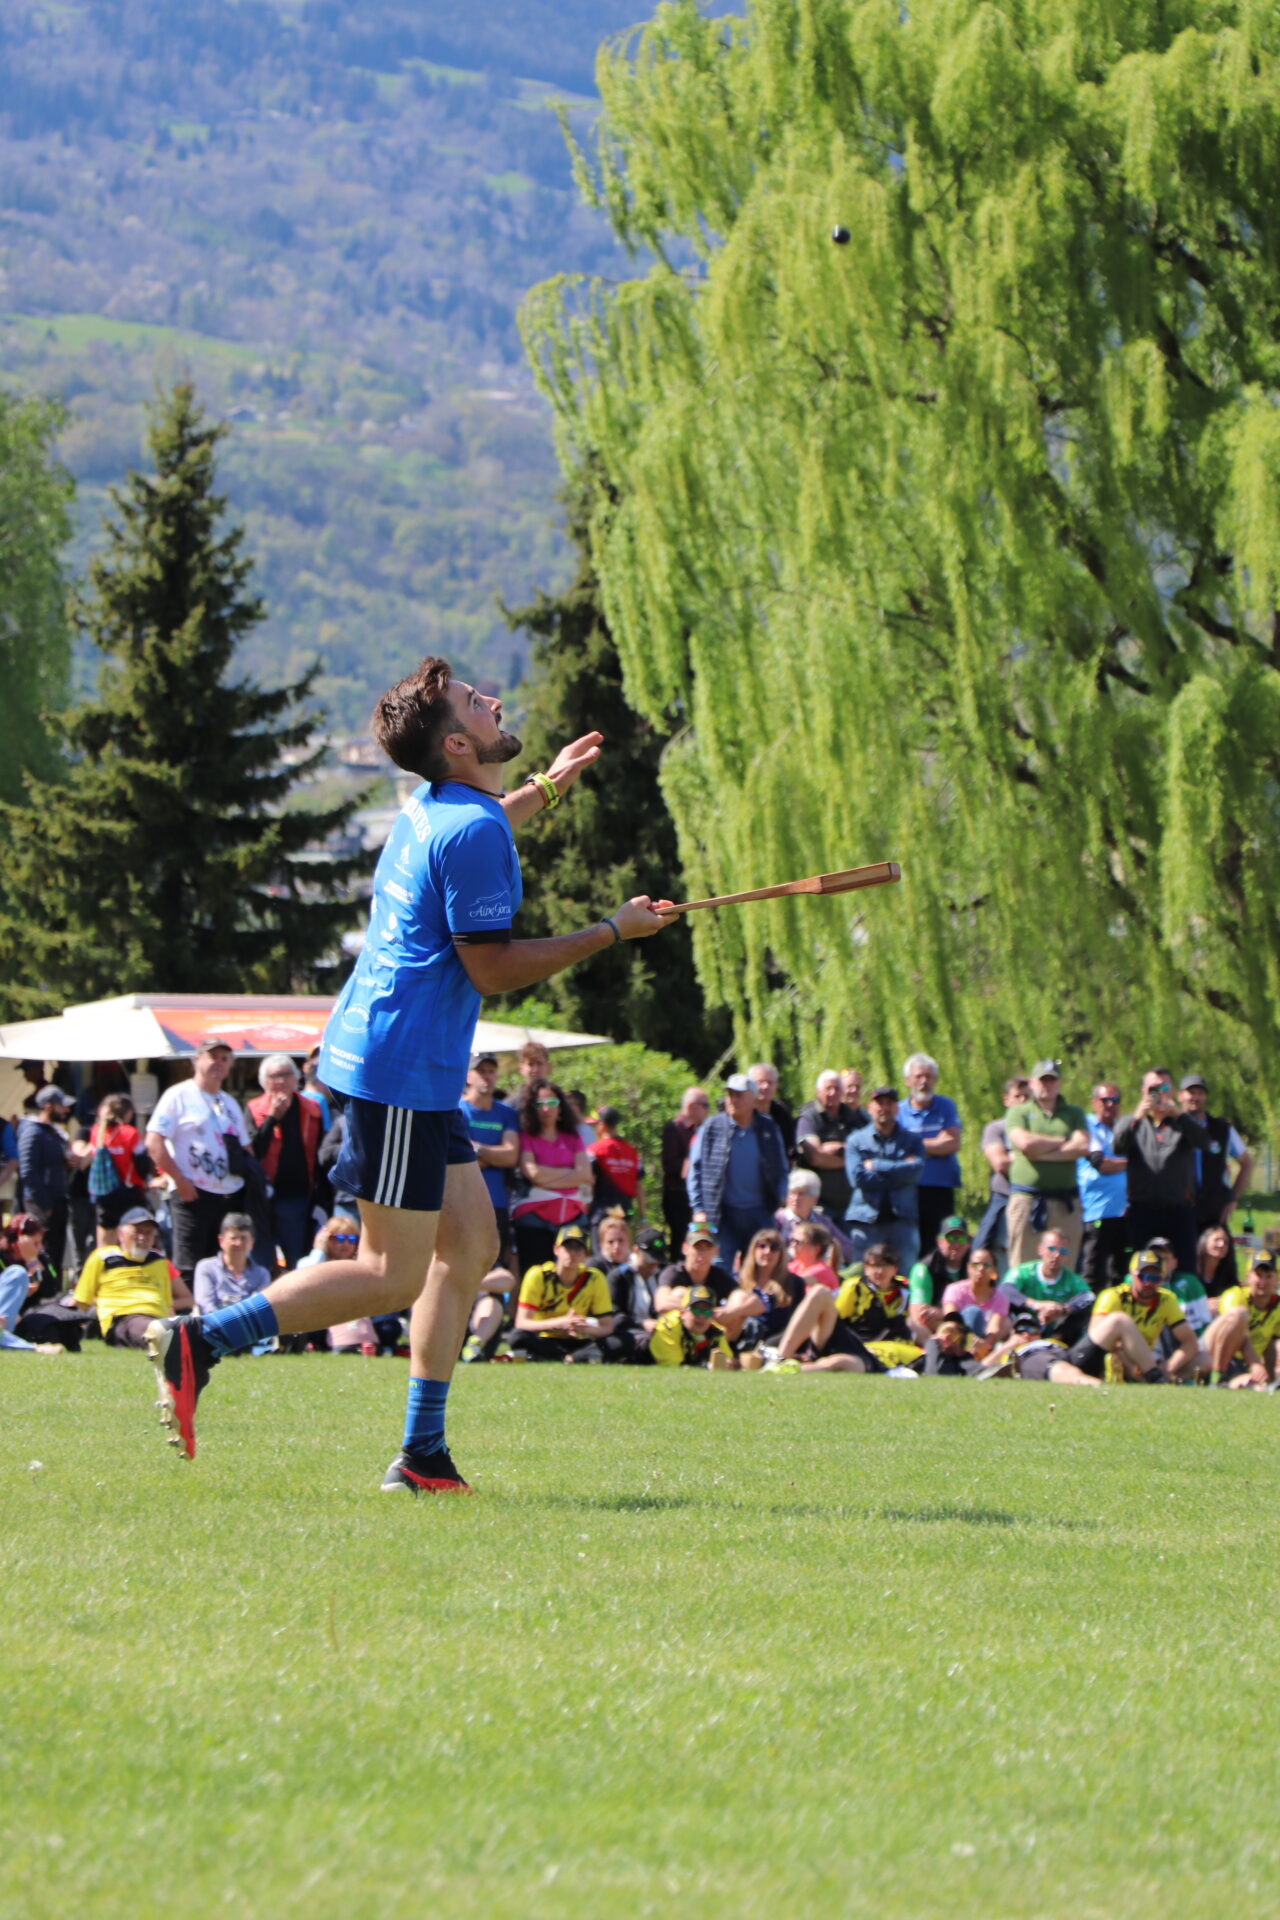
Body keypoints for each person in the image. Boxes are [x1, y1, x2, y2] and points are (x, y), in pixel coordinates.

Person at [144, 655, 676, 1487]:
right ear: (458, 744)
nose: (491, 699)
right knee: (390, 1273)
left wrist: (549, 785)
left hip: (402, 1063)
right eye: (473, 701)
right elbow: (491, 968)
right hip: (396, 1068)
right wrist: (610, 931)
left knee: (470, 1244)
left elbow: (487, 823)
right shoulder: (469, 830)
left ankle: (422, 1452)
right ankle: (200, 1340)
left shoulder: (434, 808)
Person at [145, 1038, 251, 1297]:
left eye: (224, 1059)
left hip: (228, 1195)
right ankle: (189, 1315)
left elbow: (246, 1147)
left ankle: (218, 1312)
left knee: (222, 1260)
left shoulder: (230, 1103)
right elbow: (153, 1141)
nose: (219, 1063)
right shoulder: (178, 1095)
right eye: (212, 1056)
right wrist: (179, 1179)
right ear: (196, 1060)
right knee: (189, 1262)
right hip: (191, 1193)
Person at [687, 1074, 788, 1272]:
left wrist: (781, 1197)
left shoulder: (768, 1128)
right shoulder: (711, 1127)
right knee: (719, 1269)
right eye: (730, 1095)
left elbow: (782, 1168)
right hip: (721, 1214)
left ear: (753, 1098)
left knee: (761, 1270)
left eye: (739, 1095)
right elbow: (695, 1170)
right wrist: (698, 1209)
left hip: (760, 1213)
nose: (733, 1100)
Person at [770, 1241, 920, 1373]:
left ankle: (783, 1371)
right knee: (820, 1292)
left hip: (875, 1358)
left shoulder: (906, 1291)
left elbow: (919, 1330)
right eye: (874, 1266)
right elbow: (832, 1320)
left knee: (837, 1363)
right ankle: (780, 1358)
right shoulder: (855, 1287)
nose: (879, 1271)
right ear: (865, 1268)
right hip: (853, 1343)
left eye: (885, 1266)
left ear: (895, 1269)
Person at [1111, 1068, 1207, 1274]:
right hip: (1143, 1209)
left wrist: (1178, 1114)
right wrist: (1138, 1115)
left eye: (1164, 1088)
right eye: (1153, 1088)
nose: (1159, 1093)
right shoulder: (1132, 1122)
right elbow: (1118, 1146)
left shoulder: (1182, 1122)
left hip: (1178, 1209)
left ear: (1171, 1091)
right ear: (1143, 1091)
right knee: (1141, 1265)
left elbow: (1203, 1141)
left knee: (1184, 1266)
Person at [1066, 1249, 1198, 1383]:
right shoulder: (1113, 1296)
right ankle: (1155, 1378)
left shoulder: (1167, 1300)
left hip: (1143, 1366)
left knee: (1203, 1359)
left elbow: (1190, 1342)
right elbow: (1096, 1338)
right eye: (1143, 1277)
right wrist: (1130, 1363)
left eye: (1155, 1278)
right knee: (1121, 1321)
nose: (1148, 1283)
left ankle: (1162, 1378)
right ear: (1132, 1275)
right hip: (1094, 1359)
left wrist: (1168, 1367)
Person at [1005, 1062, 1090, 1267]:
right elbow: (1025, 1143)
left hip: (1065, 1202)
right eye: (1043, 1080)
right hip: (1027, 1201)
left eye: (1052, 1080)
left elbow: (1081, 1146)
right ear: (1032, 1083)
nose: (1047, 1084)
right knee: (1023, 1267)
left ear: (1059, 1083)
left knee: (1065, 1266)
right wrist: (1063, 1140)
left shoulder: (1074, 1113)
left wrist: (1040, 1154)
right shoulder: (1019, 1112)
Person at [246, 1054, 325, 1274]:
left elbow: (320, 1153)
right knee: (261, 1262)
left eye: (286, 1075)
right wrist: (272, 1117)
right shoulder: (254, 1108)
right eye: (274, 1076)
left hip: (297, 1197)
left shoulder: (312, 1108)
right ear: (264, 1082)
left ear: (296, 1078)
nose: (280, 1081)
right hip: (262, 1198)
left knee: (297, 1261)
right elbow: (253, 1152)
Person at [511, 1080, 592, 1275]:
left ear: (560, 1107)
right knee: (536, 1275)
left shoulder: (573, 1138)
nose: (546, 1109)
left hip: (572, 1216)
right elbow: (533, 1174)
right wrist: (569, 1174)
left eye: (552, 1103)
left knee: (572, 1275)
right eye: (540, 1104)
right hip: (534, 1218)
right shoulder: (527, 1137)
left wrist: (546, 1177)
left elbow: (585, 1174)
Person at [1179, 1073, 1251, 1288]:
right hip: (1181, 1210)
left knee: (1224, 1268)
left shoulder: (1222, 1129)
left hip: (1214, 1211)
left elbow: (1246, 1162)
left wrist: (1232, 1198)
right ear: (1180, 1096)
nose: (1195, 1097)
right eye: (1190, 1092)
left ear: (1206, 1097)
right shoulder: (1171, 1126)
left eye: (1200, 1093)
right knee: (1186, 1267)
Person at [844, 1086, 922, 1272]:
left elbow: (914, 1172)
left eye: (889, 1103)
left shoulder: (912, 1141)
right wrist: (899, 1171)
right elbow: (858, 1179)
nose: (884, 1108)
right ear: (869, 1107)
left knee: (905, 1277)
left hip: (902, 1220)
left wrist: (877, 1165)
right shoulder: (856, 1141)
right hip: (865, 1220)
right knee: (861, 1276)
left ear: (897, 1108)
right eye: (879, 1103)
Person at [510, 1223, 615, 1362]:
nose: (573, 1253)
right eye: (568, 1247)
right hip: (545, 1338)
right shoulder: (539, 1275)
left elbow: (607, 1327)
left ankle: (570, 1357)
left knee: (617, 1341)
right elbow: (522, 1323)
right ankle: (571, 1357)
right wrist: (560, 1323)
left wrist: (584, 1328)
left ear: (586, 1255)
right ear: (556, 1249)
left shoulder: (594, 1278)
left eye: (578, 1248)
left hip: (577, 1339)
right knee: (517, 1336)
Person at [75, 1207, 174, 1349]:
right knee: (154, 1332)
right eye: (137, 1231)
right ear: (121, 1234)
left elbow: (167, 1304)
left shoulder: (159, 1261)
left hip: (158, 1319)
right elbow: (82, 1300)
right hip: (124, 1319)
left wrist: (174, 1323)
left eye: (148, 1233)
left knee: (183, 1330)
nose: (142, 1237)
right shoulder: (103, 1258)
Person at [896, 1053, 963, 1252]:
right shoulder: (898, 1111)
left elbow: (952, 1143)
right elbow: (897, 1149)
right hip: (908, 1187)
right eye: (918, 1076)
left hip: (940, 1186)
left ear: (935, 1079)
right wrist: (935, 1146)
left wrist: (915, 1147)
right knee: (910, 1245)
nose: (924, 1081)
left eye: (928, 1076)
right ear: (908, 1080)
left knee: (939, 1245)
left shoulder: (946, 1106)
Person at [457, 1052, 519, 1267]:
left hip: (496, 1202)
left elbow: (511, 1156)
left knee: (494, 1266)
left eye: (491, 1071)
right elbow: (457, 1158)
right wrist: (494, 1156)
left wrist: (477, 1149)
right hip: (462, 1201)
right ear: (468, 1076)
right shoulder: (457, 1110)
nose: (487, 1076)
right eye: (481, 1071)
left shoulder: (507, 1113)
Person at [17, 1084, 76, 1276]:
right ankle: (40, 1289)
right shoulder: (32, 1131)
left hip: (58, 1201)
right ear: (49, 1106)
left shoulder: (55, 1133)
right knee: (42, 1252)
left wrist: (67, 1162)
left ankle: (54, 1289)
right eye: (61, 1106)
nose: (66, 1110)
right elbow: (27, 1171)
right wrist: (45, 1205)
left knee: (56, 1253)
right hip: (41, 1204)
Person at [1003, 1230, 1095, 1350]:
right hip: (1025, 1327)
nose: (1056, 1255)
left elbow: (1088, 1296)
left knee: (1080, 1313)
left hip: (1056, 1331)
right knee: (1007, 1305)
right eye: (1051, 1249)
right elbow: (1005, 1289)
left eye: (1063, 1251)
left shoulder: (1071, 1279)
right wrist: (1036, 1305)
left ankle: (1056, 1345)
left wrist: (1061, 1309)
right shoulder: (1024, 1272)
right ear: (1040, 1249)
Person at [973, 1076, 1029, 1263]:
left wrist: (1013, 1156)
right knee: (982, 1249)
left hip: (1034, 1198)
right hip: (1004, 1197)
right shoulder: (996, 1128)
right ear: (1007, 1100)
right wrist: (1033, 1156)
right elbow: (1000, 1164)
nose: (1023, 1101)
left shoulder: (1041, 1129)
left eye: (1027, 1096)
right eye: (1018, 1096)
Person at [1077, 1083, 1128, 1287]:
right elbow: (1101, 1164)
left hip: (1124, 1212)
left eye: (1115, 1100)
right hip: (1097, 1210)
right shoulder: (1087, 1125)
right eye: (1105, 1100)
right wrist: (1134, 1162)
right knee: (1093, 1272)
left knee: (1121, 1272)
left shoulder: (1123, 1129)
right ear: (1093, 1103)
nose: (1110, 1104)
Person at [1204, 1252, 1280, 1388]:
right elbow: (1239, 1335)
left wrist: (1271, 1380)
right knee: (1240, 1314)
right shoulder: (1235, 1295)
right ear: (1248, 1276)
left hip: (1242, 1365)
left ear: (1277, 1279)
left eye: (1268, 1276)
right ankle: (1217, 1376)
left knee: (1257, 1388)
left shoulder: (1277, 1307)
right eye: (1258, 1275)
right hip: (1214, 1353)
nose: (1263, 1282)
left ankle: (1229, 1383)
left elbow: (1270, 1345)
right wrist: (1255, 1364)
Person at [86, 1093, 153, 1244]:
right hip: (130, 1193)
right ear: (128, 1113)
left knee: (105, 1240)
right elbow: (142, 1164)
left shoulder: (96, 1132)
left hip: (105, 1194)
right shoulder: (130, 1133)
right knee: (134, 1239)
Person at [794, 1070, 861, 1219]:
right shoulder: (809, 1117)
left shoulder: (853, 1117)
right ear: (818, 1091)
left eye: (837, 1089)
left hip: (851, 1204)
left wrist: (835, 1150)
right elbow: (815, 1157)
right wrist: (853, 1156)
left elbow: (868, 1151)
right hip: (819, 1206)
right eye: (828, 1089)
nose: (833, 1093)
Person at [0, 1214, 68, 1352]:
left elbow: (53, 1290)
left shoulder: (41, 1258)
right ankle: (30, 1347)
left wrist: (32, 1261)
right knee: (17, 1273)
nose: (40, 1247)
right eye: (35, 1243)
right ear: (17, 1242)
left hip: (22, 1317)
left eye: (40, 1242)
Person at [192, 1212, 273, 1318]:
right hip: (215, 1324)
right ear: (221, 1240)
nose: (238, 1243)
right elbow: (205, 1307)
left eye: (243, 1238)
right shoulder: (206, 1268)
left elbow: (258, 1309)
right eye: (233, 1238)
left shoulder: (262, 1274)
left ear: (252, 1242)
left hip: (248, 1326)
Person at [905, 1216, 972, 1342]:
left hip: (967, 1327)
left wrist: (943, 1313)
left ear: (968, 1242)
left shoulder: (975, 1266)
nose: (956, 1244)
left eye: (961, 1239)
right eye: (950, 1239)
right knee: (913, 1324)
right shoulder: (923, 1269)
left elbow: (982, 1308)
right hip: (933, 1332)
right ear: (939, 1241)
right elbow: (918, 1315)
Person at [660, 1088, 708, 1254]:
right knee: (681, 1241)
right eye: (705, 1105)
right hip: (678, 1195)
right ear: (692, 1106)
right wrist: (695, 1162)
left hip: (696, 1196)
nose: (707, 1110)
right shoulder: (674, 1128)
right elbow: (670, 1165)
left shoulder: (701, 1130)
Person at [774, 1167, 854, 1265]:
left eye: (801, 1194)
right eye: (792, 1193)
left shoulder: (822, 1222)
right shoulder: (777, 1219)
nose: (795, 1198)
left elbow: (847, 1249)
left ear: (814, 1199)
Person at [647, 1282, 734, 1368]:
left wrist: (729, 1364)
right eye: (696, 1311)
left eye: (707, 1312)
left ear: (712, 1315)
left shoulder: (716, 1331)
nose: (701, 1316)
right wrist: (708, 1366)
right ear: (683, 1312)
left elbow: (726, 1360)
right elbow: (673, 1367)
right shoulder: (667, 1328)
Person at [941, 1246, 1016, 1342]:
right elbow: (950, 1322)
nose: (981, 1269)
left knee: (1006, 1322)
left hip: (983, 1342)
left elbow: (993, 1329)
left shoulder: (1001, 1298)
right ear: (968, 1268)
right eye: (976, 1265)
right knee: (973, 1312)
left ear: (994, 1270)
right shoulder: (954, 1290)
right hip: (956, 1340)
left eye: (986, 1265)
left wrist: (983, 1344)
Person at [587, 1107, 646, 1224]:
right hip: (626, 1210)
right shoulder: (632, 1152)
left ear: (602, 1126)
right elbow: (639, 1187)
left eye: (595, 1125)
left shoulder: (594, 1151)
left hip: (600, 1212)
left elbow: (588, 1184)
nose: (594, 1129)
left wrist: (584, 1212)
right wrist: (643, 1218)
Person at [748, 1063, 795, 1158]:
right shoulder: (741, 1112)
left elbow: (789, 1148)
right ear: (749, 1085)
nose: (765, 1086)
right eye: (760, 1082)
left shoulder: (781, 1113)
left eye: (770, 1082)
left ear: (776, 1086)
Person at [786, 1220, 841, 1292]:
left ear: (816, 1249)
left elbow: (792, 1283)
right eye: (792, 1241)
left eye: (798, 1242)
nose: (793, 1245)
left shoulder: (822, 1270)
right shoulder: (794, 1266)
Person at [1195, 1222, 1234, 1301]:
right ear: (1204, 1242)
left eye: (1226, 1242)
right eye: (1217, 1240)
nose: (1222, 1244)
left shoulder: (1228, 1275)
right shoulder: (1192, 1272)